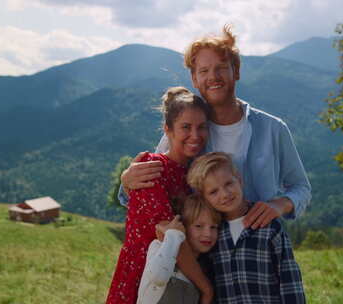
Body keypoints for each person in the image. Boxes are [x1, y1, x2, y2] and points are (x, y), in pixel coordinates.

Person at [120, 24, 311, 230]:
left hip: (259, 246)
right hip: (202, 253)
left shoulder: (273, 129)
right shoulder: (185, 132)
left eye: (221, 67)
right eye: (204, 70)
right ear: (195, 79)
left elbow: (301, 187)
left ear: (236, 71)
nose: (213, 76)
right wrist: (126, 182)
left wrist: (280, 204)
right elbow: (150, 186)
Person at [106, 87, 211, 304]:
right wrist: (206, 288)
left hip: (178, 282)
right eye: (185, 127)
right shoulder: (151, 168)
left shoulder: (195, 173)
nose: (195, 135)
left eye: (201, 127)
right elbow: (173, 239)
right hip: (141, 276)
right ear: (167, 130)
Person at [187, 152, 306, 304]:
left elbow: (290, 281)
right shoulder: (211, 233)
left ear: (239, 180)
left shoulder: (268, 226)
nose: (224, 194)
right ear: (204, 198)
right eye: (213, 192)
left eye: (229, 183)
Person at [137, 194, 221, 304]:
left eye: (213, 227)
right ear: (183, 226)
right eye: (198, 226)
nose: (208, 234)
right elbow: (159, 277)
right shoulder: (159, 246)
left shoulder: (203, 270)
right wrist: (173, 235)